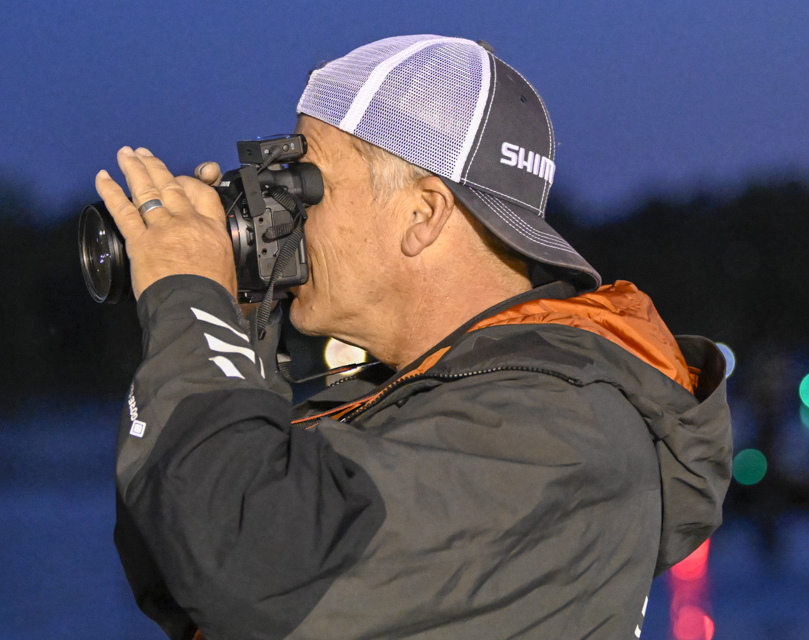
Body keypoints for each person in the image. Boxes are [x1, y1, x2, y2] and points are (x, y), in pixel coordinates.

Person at [95, 35, 732, 639]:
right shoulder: (431, 399)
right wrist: (232, 329)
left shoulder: (554, 431)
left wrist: (189, 300)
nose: (283, 217)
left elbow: (250, 560)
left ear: (422, 214)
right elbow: (184, 564)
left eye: (303, 185)